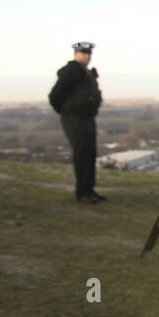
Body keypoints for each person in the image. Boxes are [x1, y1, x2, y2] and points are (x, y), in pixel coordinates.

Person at [48, 41, 105, 203]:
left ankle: (90, 190)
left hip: (87, 117)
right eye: (83, 53)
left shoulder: (86, 73)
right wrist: (67, 111)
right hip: (74, 117)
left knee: (90, 154)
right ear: (76, 54)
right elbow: (55, 96)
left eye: (88, 54)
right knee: (81, 153)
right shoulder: (71, 72)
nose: (87, 56)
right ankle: (82, 192)